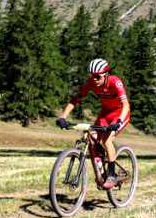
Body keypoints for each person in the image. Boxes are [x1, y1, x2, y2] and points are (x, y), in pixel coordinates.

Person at [56, 58, 131, 189]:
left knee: (107, 140)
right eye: (92, 76)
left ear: (106, 74)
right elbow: (75, 100)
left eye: (97, 76)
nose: (94, 79)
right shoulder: (91, 83)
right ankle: (101, 174)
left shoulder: (115, 82)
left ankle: (112, 174)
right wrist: (63, 116)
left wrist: (118, 122)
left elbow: (125, 104)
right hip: (105, 114)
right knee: (91, 138)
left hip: (120, 113)